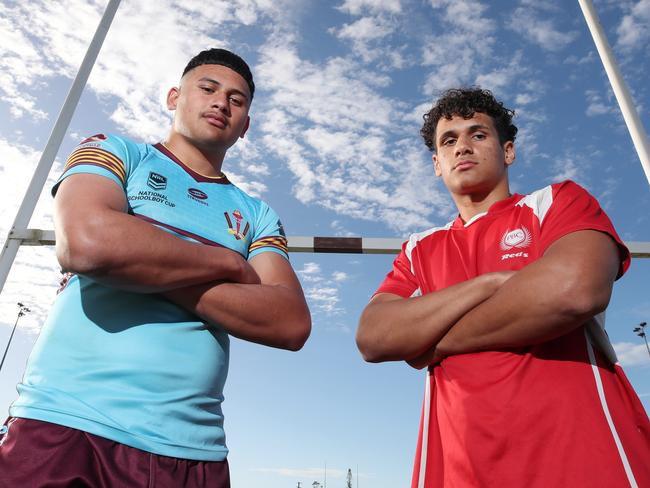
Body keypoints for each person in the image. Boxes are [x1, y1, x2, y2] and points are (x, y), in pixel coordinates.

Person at [0, 48, 311, 487]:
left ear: (245, 128)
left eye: (237, 100)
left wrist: (137, 264)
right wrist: (227, 263)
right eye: (207, 88)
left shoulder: (256, 214)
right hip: (67, 421)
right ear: (173, 97)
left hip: (190, 449)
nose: (221, 102)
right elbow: (88, 245)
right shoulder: (115, 151)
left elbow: (289, 321)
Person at [356, 88, 649, 487]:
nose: (462, 147)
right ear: (436, 164)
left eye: (478, 135)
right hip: (462, 466)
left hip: (583, 454)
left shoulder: (557, 201)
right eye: (449, 140)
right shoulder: (418, 247)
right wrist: (488, 284)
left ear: (508, 151)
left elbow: (574, 290)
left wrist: (431, 343)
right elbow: (374, 337)